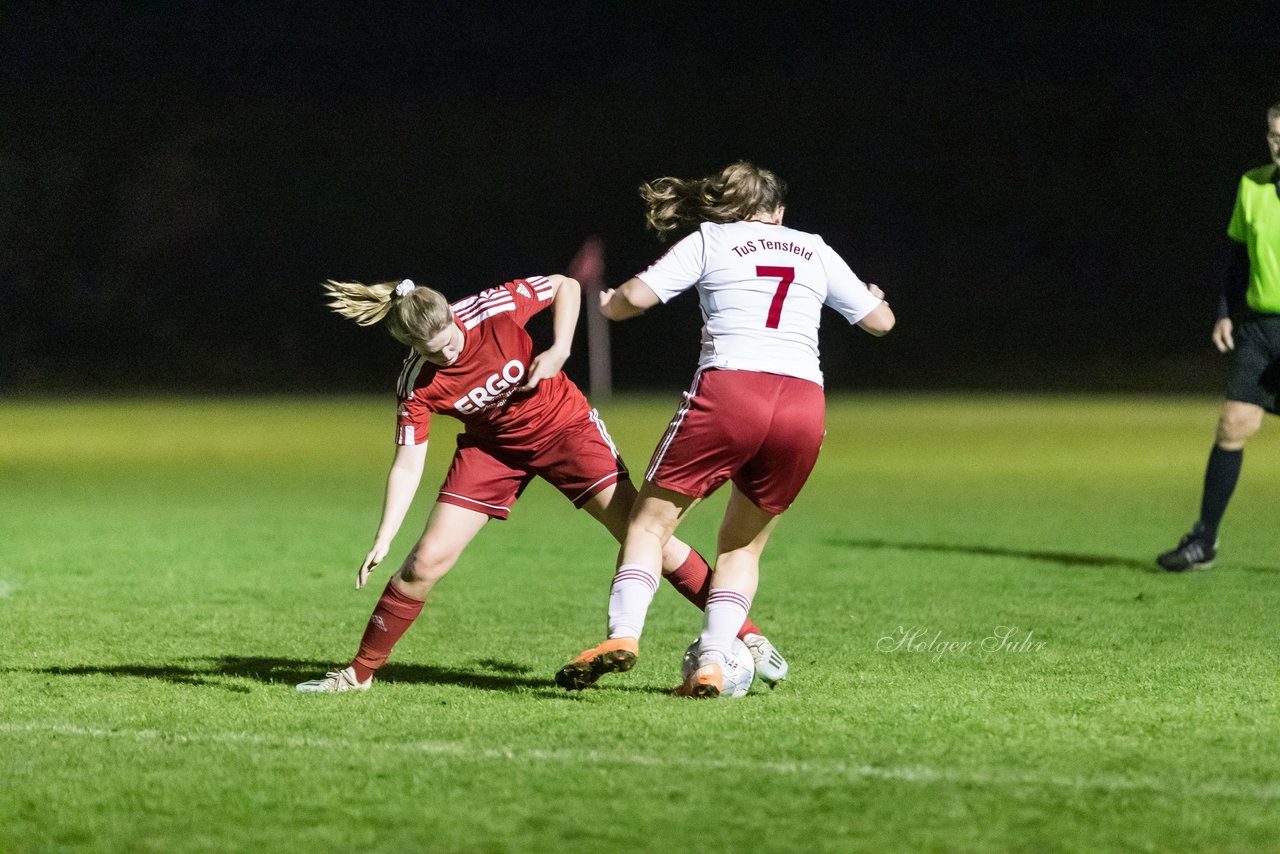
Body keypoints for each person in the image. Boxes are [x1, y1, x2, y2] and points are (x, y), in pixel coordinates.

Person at [296, 272, 789, 692]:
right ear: (410, 345)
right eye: (435, 349)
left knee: (648, 539)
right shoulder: (416, 383)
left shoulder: (490, 310)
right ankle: (357, 676)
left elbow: (566, 285)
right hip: (493, 452)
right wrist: (384, 536)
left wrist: (559, 348)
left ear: (453, 314)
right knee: (423, 564)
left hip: (566, 429)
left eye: (450, 337)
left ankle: (745, 634)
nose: (450, 349)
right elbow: (408, 463)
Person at [555, 162, 895, 698]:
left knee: (647, 526)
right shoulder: (814, 247)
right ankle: (713, 661)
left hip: (732, 392)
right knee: (741, 548)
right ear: (778, 212)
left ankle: (623, 636)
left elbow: (633, 301)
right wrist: (877, 297)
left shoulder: (712, 239)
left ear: (729, 209)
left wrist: (604, 302)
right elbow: (880, 322)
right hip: (804, 405)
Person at [1157, 102, 1280, 572]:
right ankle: (1204, 541)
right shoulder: (1252, 184)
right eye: (1273, 136)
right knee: (1232, 426)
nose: (1279, 145)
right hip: (1260, 330)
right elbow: (1237, 258)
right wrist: (1226, 313)